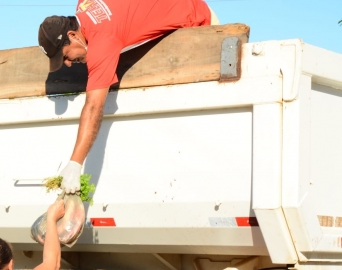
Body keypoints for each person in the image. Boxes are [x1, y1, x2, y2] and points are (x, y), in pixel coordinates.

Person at [38, 0, 220, 194]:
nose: (67, 63)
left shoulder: (103, 41)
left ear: (73, 35)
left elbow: (93, 106)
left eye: (65, 55)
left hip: (198, 19)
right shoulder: (85, 4)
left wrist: (75, 164)